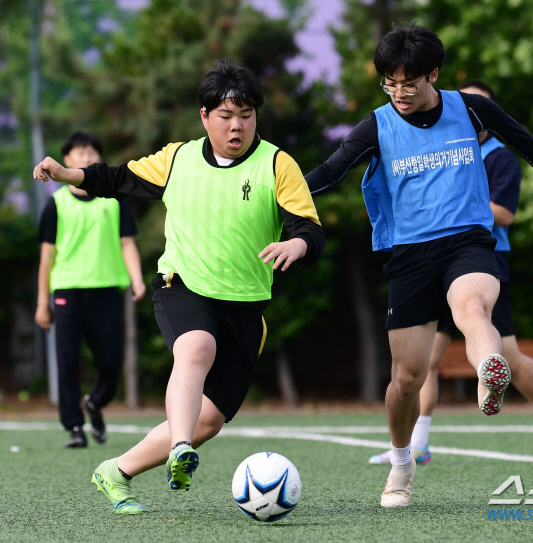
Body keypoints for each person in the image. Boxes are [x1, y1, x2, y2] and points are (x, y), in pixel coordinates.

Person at [305, 23, 533, 508]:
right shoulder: (377, 124)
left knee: (473, 309)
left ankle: (487, 371)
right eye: (389, 83)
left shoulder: (469, 107)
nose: (399, 92)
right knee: (406, 379)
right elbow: (331, 171)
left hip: (469, 243)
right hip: (410, 256)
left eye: (409, 82)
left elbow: (527, 142)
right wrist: (277, 198)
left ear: (433, 74)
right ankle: (402, 464)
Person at [34, 59, 325, 514]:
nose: (237, 127)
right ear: (205, 116)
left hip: (245, 306)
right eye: (226, 117)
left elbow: (309, 227)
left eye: (246, 116)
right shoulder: (178, 159)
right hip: (182, 285)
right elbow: (118, 178)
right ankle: (180, 449)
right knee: (195, 349)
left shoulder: (276, 164)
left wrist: (299, 247)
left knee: (209, 418)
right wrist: (70, 175)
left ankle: (116, 471)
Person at [368, 81, 533, 468]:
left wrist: (452, 203)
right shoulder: (436, 143)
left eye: (475, 105)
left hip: (480, 263)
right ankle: (418, 444)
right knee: (425, 361)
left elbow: (506, 213)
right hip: (432, 264)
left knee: (508, 357)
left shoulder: (498, 158)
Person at [35, 131, 145, 448]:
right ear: (66, 160)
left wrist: (137, 279)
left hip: (108, 290)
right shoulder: (55, 205)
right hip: (68, 291)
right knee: (68, 362)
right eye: (80, 152)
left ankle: (95, 403)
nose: (87, 156)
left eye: (93, 151)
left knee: (111, 364)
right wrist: (43, 303)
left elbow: (127, 244)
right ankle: (74, 427)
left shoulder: (114, 201)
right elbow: (46, 258)